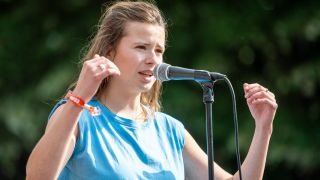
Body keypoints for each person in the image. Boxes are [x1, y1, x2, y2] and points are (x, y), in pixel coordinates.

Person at [26, 1, 278, 180]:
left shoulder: (170, 129)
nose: (152, 59)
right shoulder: (77, 116)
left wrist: (263, 128)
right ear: (110, 51)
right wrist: (79, 98)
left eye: (158, 50)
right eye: (140, 47)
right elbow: (37, 177)